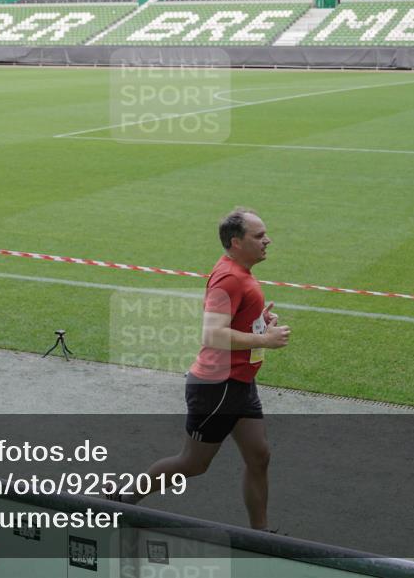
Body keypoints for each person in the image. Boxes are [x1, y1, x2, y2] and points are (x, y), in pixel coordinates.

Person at [115, 208, 290, 531]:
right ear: (237, 242)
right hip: (217, 387)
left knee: (259, 456)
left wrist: (258, 323)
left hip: (239, 383)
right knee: (193, 463)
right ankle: (120, 500)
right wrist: (263, 340)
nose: (268, 240)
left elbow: (230, 324)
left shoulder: (240, 272)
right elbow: (212, 334)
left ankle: (261, 535)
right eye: (259, 236)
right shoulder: (229, 278)